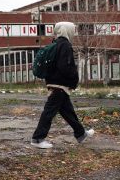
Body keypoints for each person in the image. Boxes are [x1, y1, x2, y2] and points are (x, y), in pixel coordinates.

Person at [31, 21, 94, 149]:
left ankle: (81, 133)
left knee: (68, 112)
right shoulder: (65, 45)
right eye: (72, 30)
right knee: (48, 112)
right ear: (67, 31)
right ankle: (37, 139)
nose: (74, 33)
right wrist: (74, 79)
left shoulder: (55, 44)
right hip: (59, 85)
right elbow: (65, 67)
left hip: (55, 84)